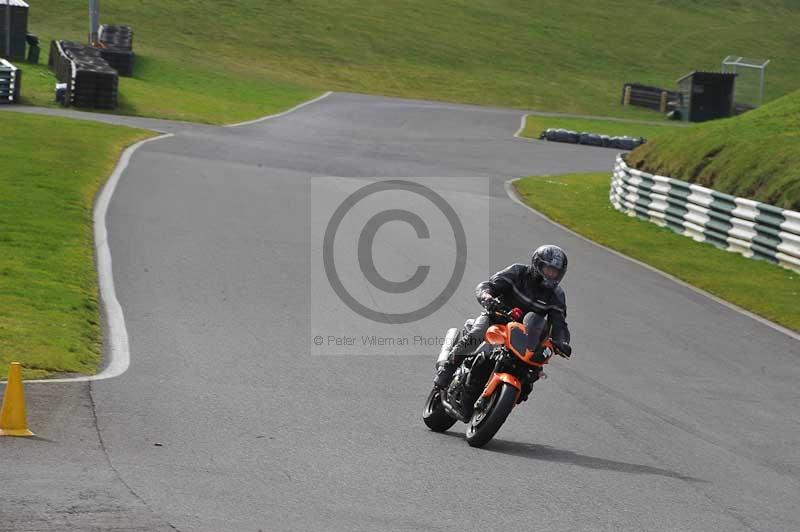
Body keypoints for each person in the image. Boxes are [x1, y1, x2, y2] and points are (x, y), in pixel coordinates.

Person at [433, 244, 572, 391]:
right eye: (549, 270)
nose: (551, 275)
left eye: (555, 272)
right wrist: (487, 297)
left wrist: (562, 342)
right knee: (476, 334)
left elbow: (559, 324)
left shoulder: (557, 295)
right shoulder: (518, 272)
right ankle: (447, 370)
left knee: (532, 374)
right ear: (537, 264)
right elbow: (488, 285)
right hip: (498, 318)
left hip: (525, 337)